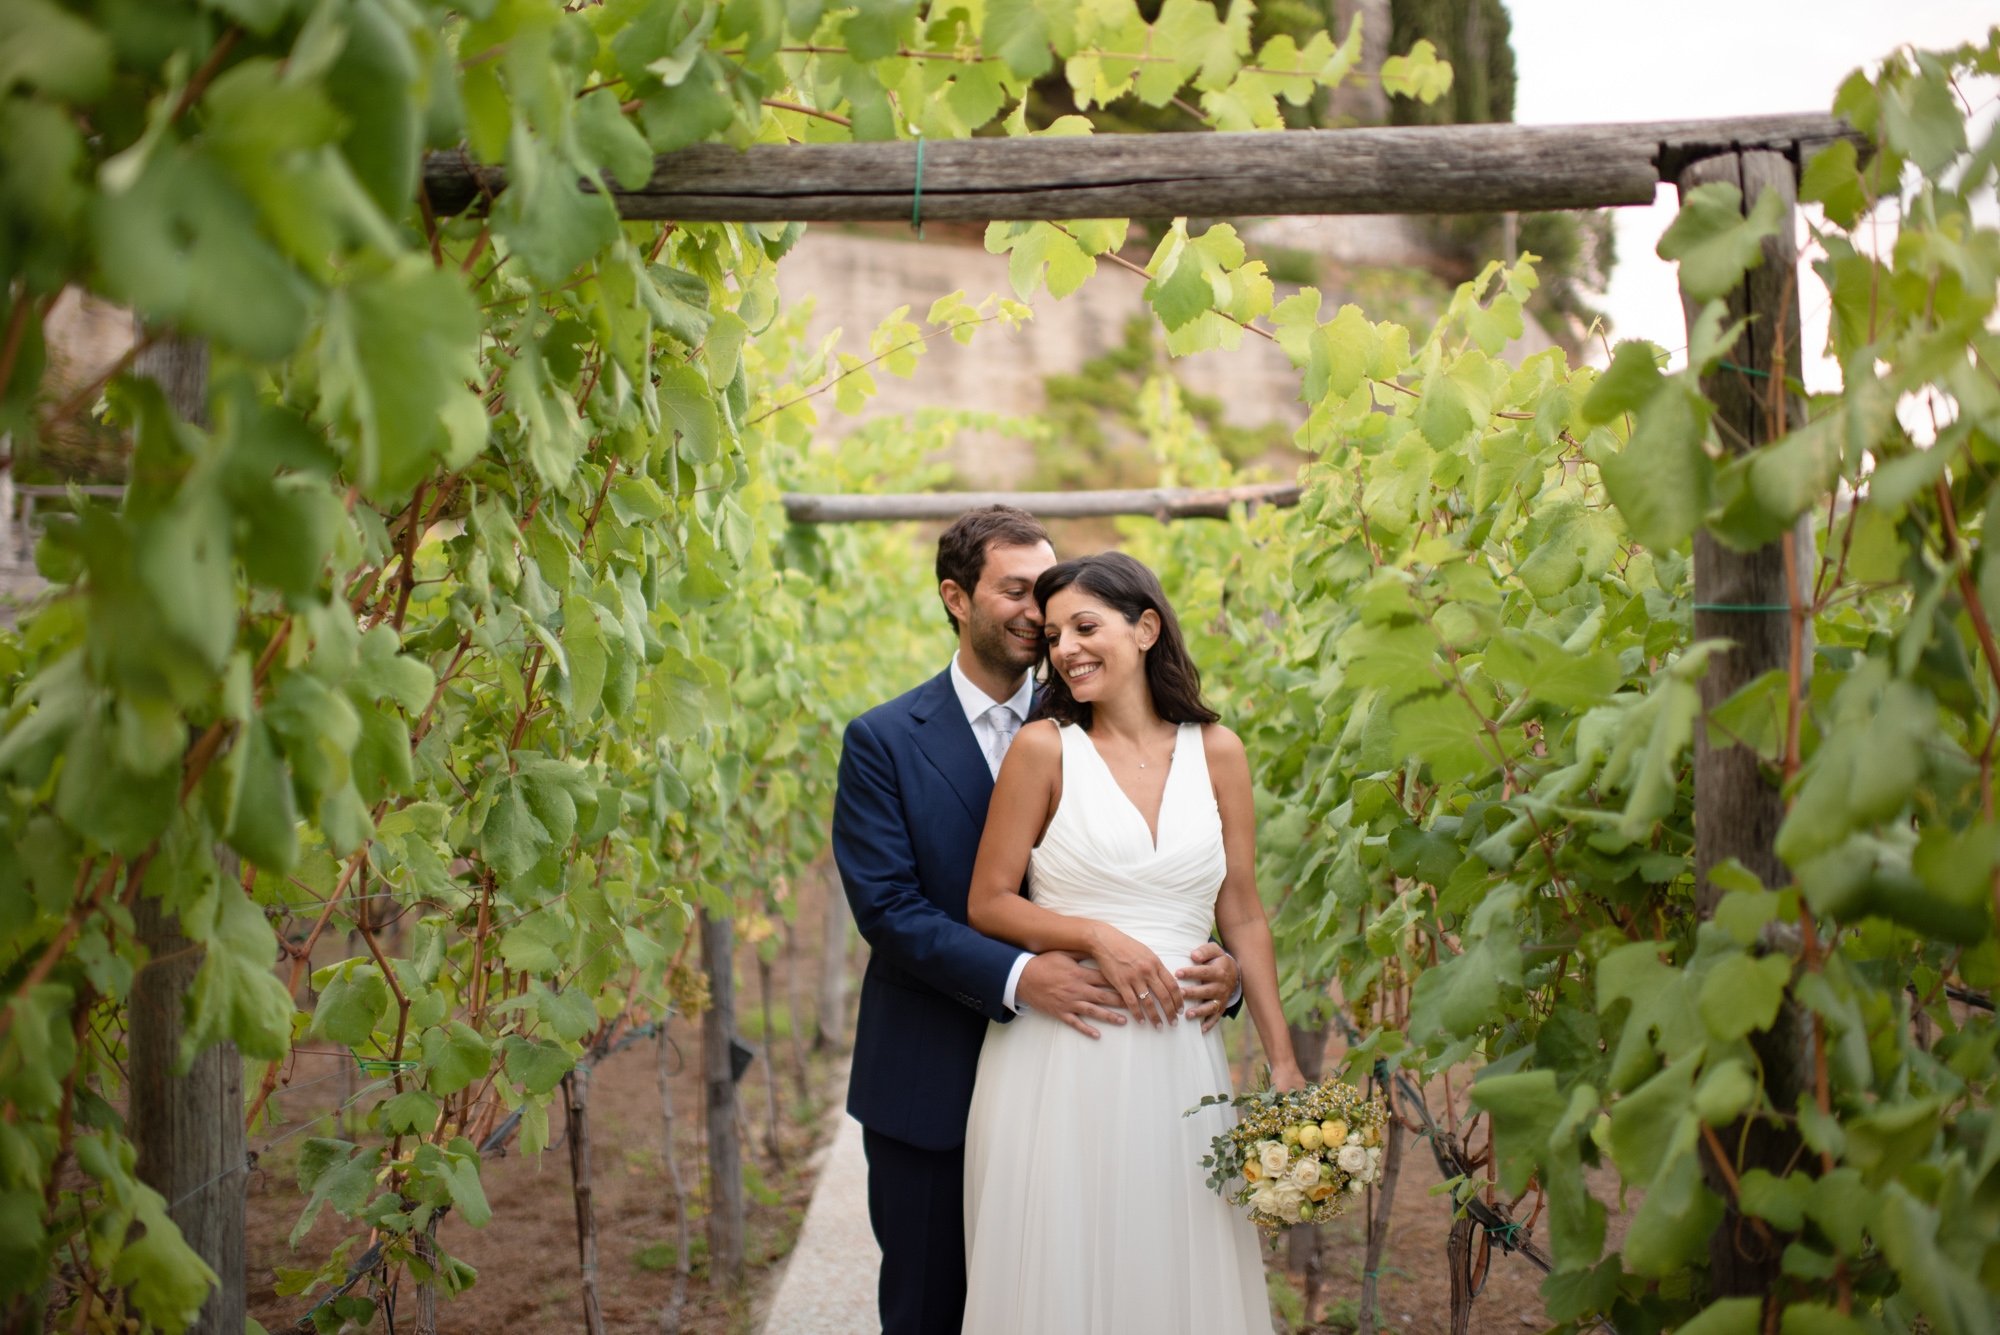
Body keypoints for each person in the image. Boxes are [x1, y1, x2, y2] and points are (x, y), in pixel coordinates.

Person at [831, 510, 1244, 1335]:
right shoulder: (883, 739)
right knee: (931, 1310)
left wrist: (1221, 974)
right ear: (956, 597)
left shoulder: (1099, 716)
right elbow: (890, 907)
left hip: (1110, 1068)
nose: (1037, 611)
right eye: (1016, 590)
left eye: (1048, 591)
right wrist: (1022, 974)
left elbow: (1173, 875)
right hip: (932, 1078)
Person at [962, 551, 1304, 1335]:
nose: (1065, 649)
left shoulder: (1219, 750)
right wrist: (1094, 935)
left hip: (1182, 1058)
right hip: (1064, 1050)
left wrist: (1282, 1057)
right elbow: (988, 901)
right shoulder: (1044, 749)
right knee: (1062, 1269)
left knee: (1173, 1261)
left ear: (1146, 627)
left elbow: (1242, 911)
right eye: (1053, 636)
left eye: (1085, 626)